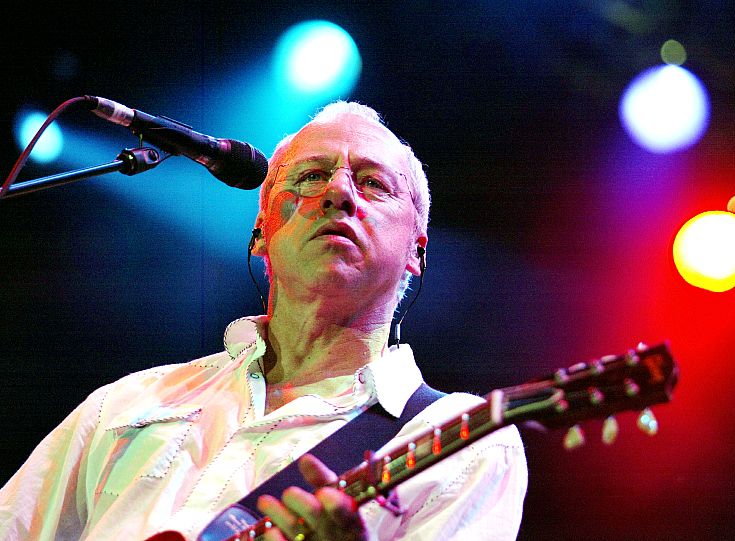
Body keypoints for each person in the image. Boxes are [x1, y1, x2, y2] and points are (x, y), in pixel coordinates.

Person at [0, 101, 527, 540]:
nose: (339, 192)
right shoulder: (124, 405)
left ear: (417, 250)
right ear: (260, 234)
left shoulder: (463, 440)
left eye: (373, 183)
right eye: (312, 176)